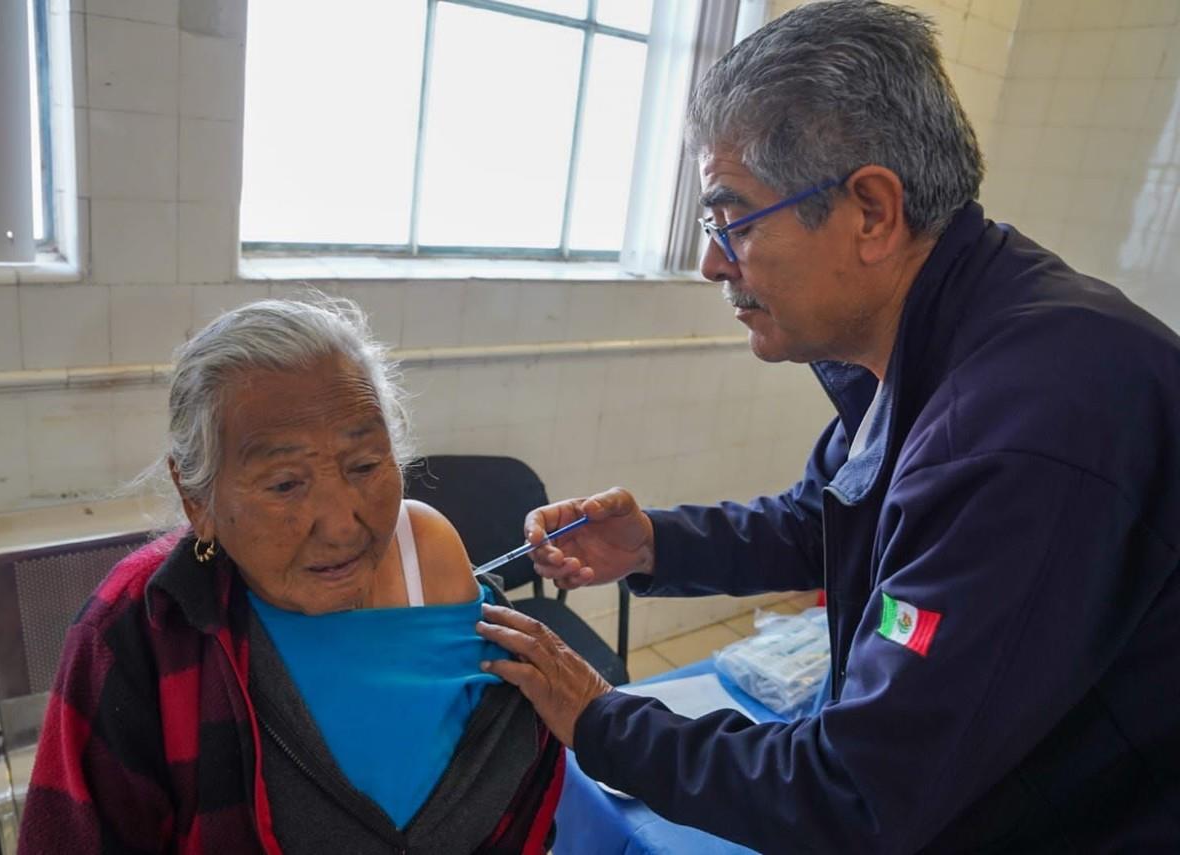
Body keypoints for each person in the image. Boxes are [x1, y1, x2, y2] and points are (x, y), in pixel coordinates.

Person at [476, 1, 1180, 851]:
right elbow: (834, 516)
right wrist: (654, 543)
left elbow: (854, 793)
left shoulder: (1025, 428)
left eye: (730, 217)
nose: (710, 262)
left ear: (872, 211)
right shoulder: (940, 332)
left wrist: (601, 719)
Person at [19, 297, 564, 854]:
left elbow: (517, 781)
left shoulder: (425, 550)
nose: (342, 526)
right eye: (285, 484)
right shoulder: (141, 628)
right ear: (195, 498)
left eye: (365, 465)